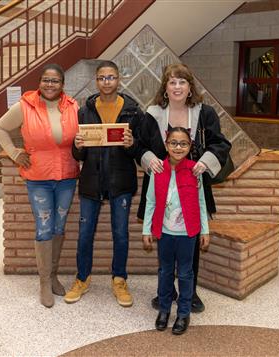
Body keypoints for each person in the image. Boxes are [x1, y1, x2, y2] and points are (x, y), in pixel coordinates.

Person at [137, 63, 231, 313]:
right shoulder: (153, 113)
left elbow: (220, 144)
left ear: (190, 88)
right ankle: (166, 292)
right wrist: (149, 158)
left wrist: (204, 162)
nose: (177, 87)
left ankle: (191, 293)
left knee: (191, 237)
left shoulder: (206, 113)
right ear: (165, 88)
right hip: (162, 186)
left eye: (182, 82)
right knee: (165, 239)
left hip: (192, 184)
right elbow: (139, 145)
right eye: (172, 82)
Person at [0, 63, 79, 308]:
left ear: (62, 85)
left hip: (67, 176)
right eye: (45, 80)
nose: (49, 85)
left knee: (59, 227)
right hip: (38, 178)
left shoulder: (73, 106)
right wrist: (13, 152)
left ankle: (53, 276)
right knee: (44, 228)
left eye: (55, 81)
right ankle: (43, 282)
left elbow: (80, 136)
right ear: (39, 82)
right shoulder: (25, 106)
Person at [63, 60, 144, 307]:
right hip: (91, 181)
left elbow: (139, 151)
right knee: (85, 233)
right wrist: (76, 147)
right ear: (96, 81)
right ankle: (82, 278)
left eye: (111, 77)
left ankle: (119, 279)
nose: (106, 82)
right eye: (101, 78)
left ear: (118, 79)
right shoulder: (84, 111)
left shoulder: (133, 111)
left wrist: (132, 145)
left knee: (120, 234)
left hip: (121, 181)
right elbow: (80, 156)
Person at [142, 127, 210, 335]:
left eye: (183, 143)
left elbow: (201, 202)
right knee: (164, 272)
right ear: (166, 145)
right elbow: (150, 201)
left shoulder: (194, 170)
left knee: (186, 273)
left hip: (187, 234)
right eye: (173, 143)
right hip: (165, 233)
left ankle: (183, 313)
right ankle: (164, 310)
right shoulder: (158, 170)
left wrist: (205, 230)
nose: (178, 147)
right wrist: (147, 230)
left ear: (190, 147)